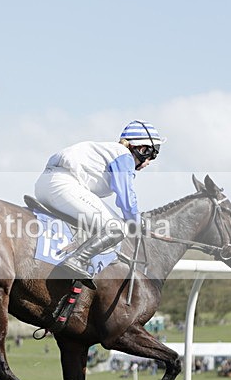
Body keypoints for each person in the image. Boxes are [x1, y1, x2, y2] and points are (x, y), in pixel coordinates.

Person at [34, 120, 165, 288]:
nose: (150, 162)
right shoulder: (123, 156)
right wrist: (137, 222)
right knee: (117, 227)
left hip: (46, 185)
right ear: (142, 149)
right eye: (151, 155)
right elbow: (126, 198)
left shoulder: (110, 153)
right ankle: (77, 260)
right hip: (63, 185)